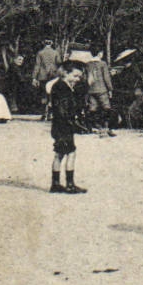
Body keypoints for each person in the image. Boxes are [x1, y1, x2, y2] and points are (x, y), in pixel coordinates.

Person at [49, 61, 89, 194]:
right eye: (76, 76)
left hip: (58, 125)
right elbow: (63, 109)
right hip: (64, 125)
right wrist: (73, 121)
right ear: (66, 73)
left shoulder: (59, 86)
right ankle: (70, 185)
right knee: (71, 152)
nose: (77, 79)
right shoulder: (62, 88)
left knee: (59, 154)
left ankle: (55, 184)